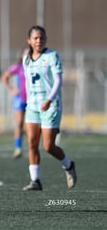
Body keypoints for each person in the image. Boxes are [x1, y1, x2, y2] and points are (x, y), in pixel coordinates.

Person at [22, 25, 77, 191]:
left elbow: (58, 81)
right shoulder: (26, 58)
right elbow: (27, 81)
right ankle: (35, 181)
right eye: (36, 38)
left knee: (48, 146)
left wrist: (48, 99)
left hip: (50, 105)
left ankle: (68, 165)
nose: (39, 41)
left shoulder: (52, 56)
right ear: (29, 40)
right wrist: (28, 101)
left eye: (42, 38)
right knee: (31, 143)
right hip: (32, 106)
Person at [1, 48, 29, 159]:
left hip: (33, 99)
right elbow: (4, 77)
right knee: (19, 123)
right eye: (25, 53)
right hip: (20, 99)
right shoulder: (18, 67)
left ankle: (33, 145)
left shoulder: (36, 66)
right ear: (21, 56)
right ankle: (18, 148)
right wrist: (11, 89)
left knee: (34, 124)